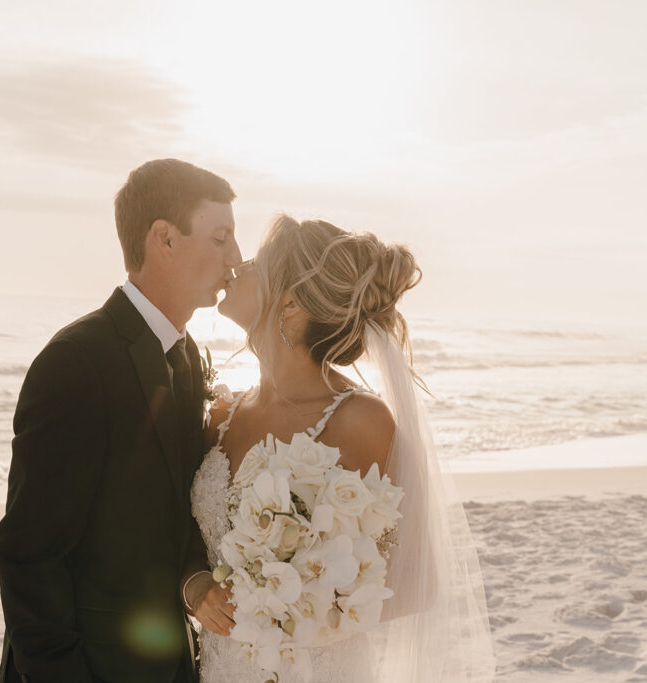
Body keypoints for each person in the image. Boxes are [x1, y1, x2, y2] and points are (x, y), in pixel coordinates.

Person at [183, 215, 495, 681]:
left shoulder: (361, 421)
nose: (238, 267)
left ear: (288, 304)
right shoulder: (223, 416)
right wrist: (194, 588)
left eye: (255, 264)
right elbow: (185, 539)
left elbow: (416, 583)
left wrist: (290, 608)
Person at [0, 158, 242, 683]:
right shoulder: (77, 362)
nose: (236, 259)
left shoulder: (187, 358)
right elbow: (28, 558)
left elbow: (175, 507)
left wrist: (194, 577)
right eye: (220, 238)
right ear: (165, 239)